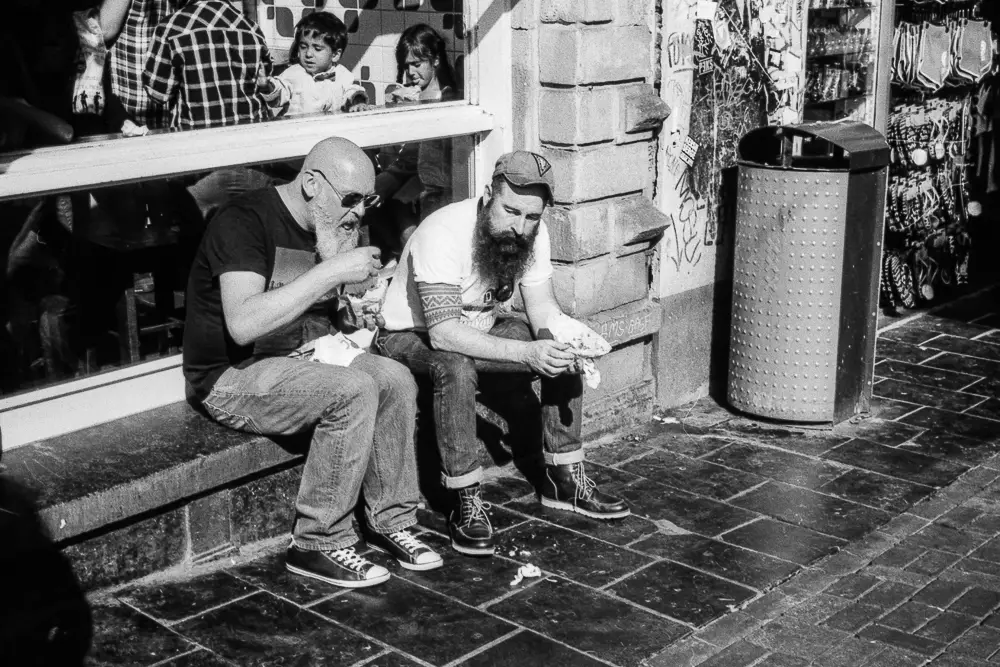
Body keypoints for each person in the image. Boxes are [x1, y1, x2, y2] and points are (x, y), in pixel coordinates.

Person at [182, 137, 442, 587]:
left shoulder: (332, 222)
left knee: (396, 378)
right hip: (231, 375)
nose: (359, 212)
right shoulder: (242, 221)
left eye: (368, 199)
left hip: (302, 359)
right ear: (310, 184)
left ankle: (391, 519)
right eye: (351, 199)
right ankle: (317, 542)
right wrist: (330, 272)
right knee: (353, 390)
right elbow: (243, 323)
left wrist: (352, 309)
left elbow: (322, 312)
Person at [377, 151, 630, 557]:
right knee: (455, 365)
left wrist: (561, 339)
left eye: (532, 217)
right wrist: (528, 354)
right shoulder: (442, 231)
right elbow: (443, 335)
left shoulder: (533, 233)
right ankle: (464, 499)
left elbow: (542, 309)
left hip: (481, 327)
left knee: (558, 340)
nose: (520, 226)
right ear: (487, 195)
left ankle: (563, 476)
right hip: (410, 336)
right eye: (511, 211)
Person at [370, 24, 458, 257]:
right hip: (419, 174)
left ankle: (410, 257)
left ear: (435, 61)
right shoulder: (418, 95)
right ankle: (401, 256)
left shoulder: (445, 96)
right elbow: (411, 152)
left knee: (408, 215)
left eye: (417, 65)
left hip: (439, 183)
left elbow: (441, 152)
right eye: (406, 66)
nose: (411, 72)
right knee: (381, 204)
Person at [143, 0, 273, 130]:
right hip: (250, 132)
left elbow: (158, 93)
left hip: (194, 135)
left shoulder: (171, 29)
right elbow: (264, 81)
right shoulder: (252, 30)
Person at [257, 12, 368, 117]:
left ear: (335, 55)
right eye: (303, 47)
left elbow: (352, 91)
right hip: (298, 131)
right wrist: (266, 86)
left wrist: (358, 102)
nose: (308, 54)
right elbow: (279, 93)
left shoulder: (342, 74)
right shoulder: (294, 73)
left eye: (317, 49)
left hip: (330, 130)